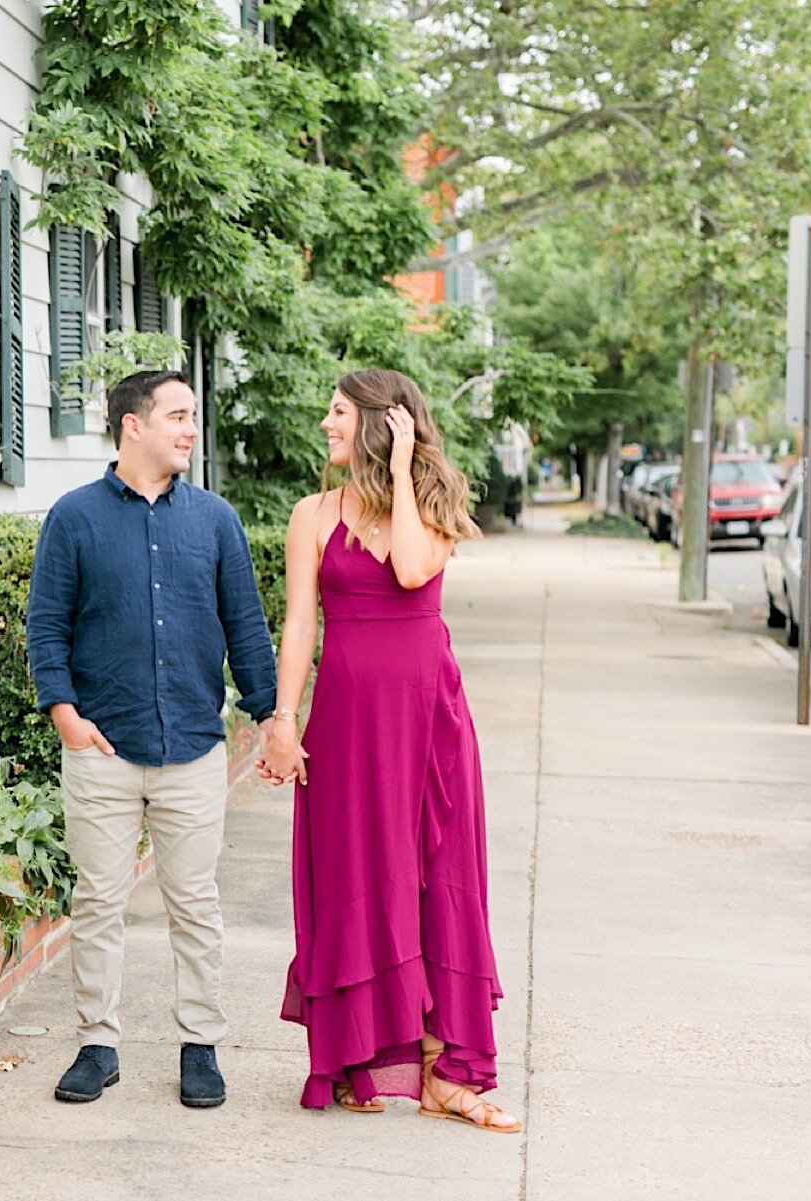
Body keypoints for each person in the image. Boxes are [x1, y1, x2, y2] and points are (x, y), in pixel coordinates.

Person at [256, 367, 520, 1133]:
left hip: (427, 717)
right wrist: (283, 717)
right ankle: (360, 1058)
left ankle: (443, 1070)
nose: (326, 423)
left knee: (437, 878)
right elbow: (300, 623)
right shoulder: (311, 513)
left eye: (338, 412)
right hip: (347, 717)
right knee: (356, 876)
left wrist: (403, 472)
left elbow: (409, 569)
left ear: (382, 421)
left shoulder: (433, 501)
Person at [27, 370, 278, 1110]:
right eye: (177, 415)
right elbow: (48, 624)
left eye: (193, 415)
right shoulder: (73, 518)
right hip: (101, 748)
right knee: (99, 898)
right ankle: (96, 1043)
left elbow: (246, 626)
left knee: (194, 903)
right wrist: (64, 714)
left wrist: (270, 720)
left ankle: (200, 1045)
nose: (190, 429)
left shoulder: (214, 520)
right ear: (132, 426)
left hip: (194, 748)